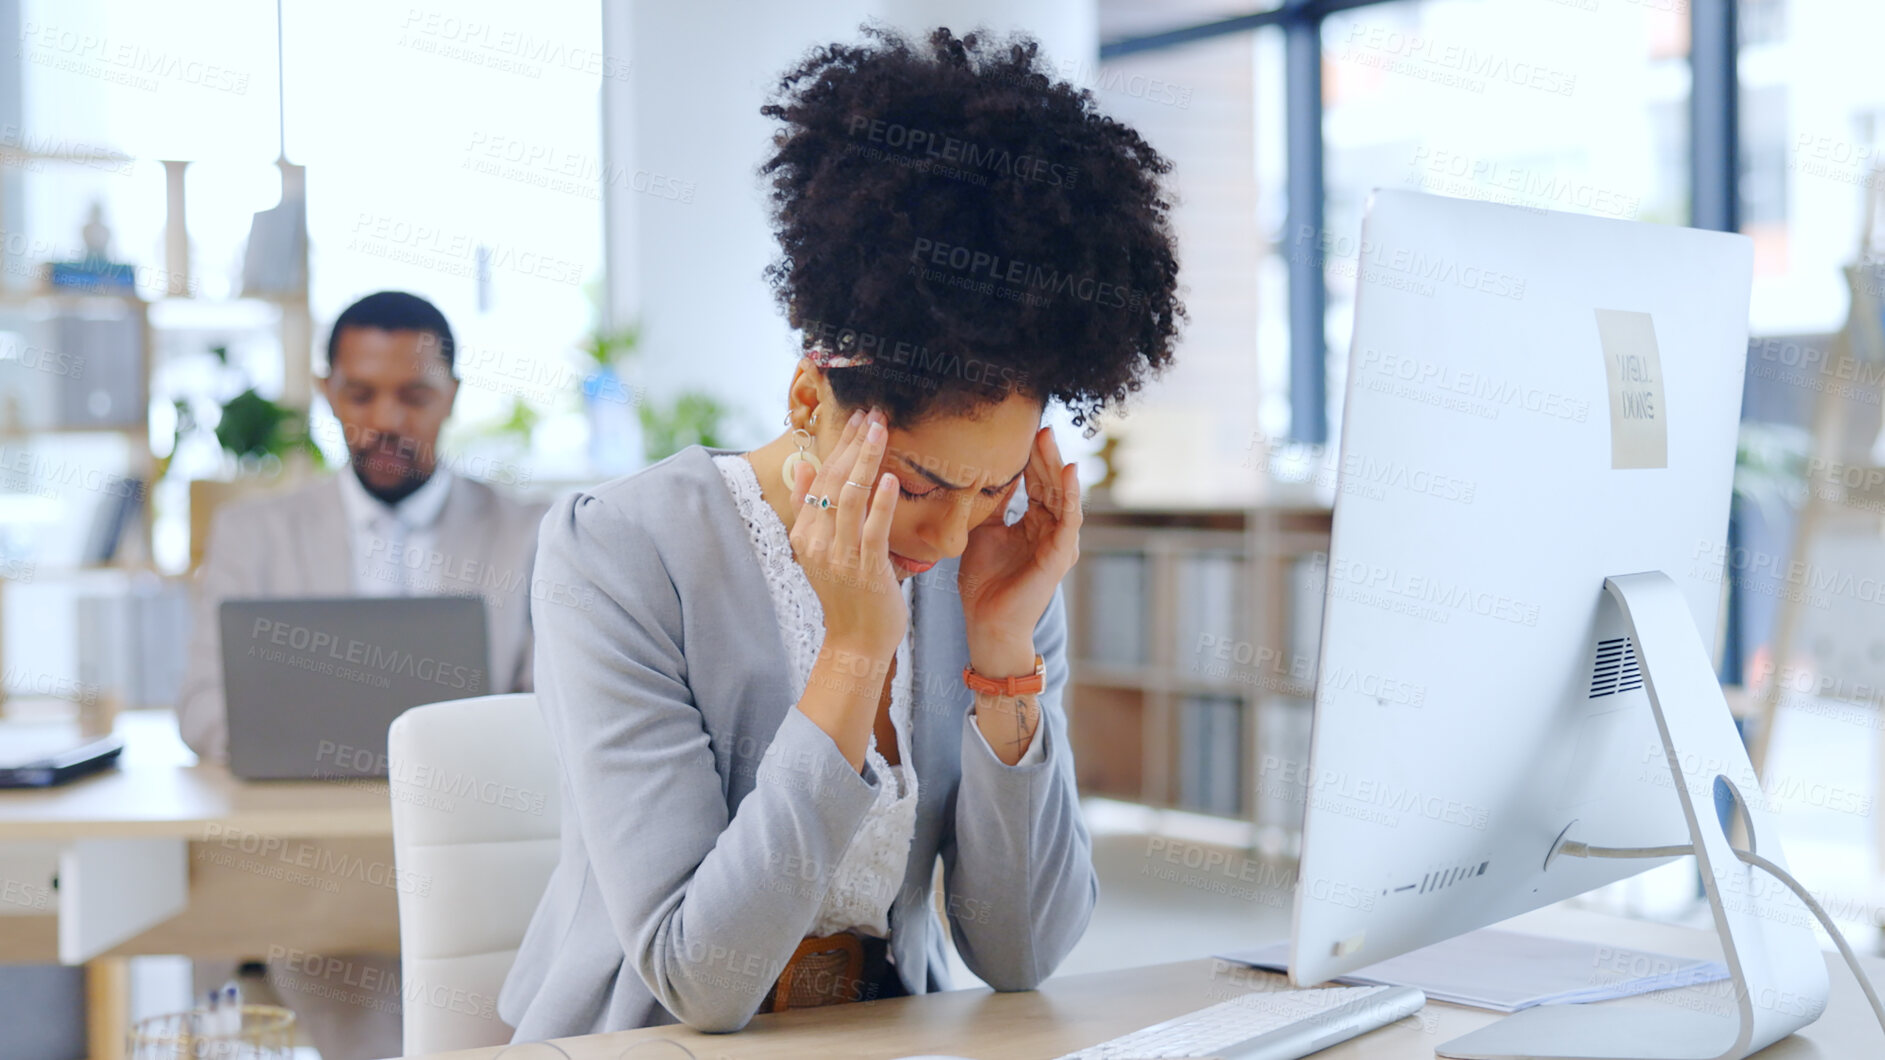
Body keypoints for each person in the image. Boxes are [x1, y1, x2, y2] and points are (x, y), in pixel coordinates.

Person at [498, 25, 1183, 1039]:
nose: (951, 538)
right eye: (916, 486)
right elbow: (702, 978)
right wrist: (857, 650)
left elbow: (1021, 952)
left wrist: (1002, 661)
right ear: (809, 393)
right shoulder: (618, 553)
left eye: (989, 489)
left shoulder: (990, 569)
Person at [177, 290, 550, 1059]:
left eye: (414, 395)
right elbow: (202, 709)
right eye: (360, 394)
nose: (386, 420)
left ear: (450, 398)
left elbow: (549, 712)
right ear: (327, 394)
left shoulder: (532, 536)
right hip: (307, 859)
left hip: (469, 857)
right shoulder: (254, 537)